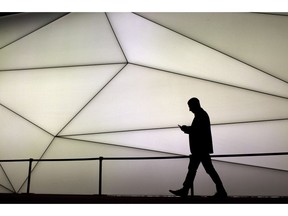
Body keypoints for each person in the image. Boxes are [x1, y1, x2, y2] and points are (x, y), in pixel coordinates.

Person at [169, 97, 227, 197]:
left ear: (194, 105)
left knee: (197, 170)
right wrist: (187, 129)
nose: (189, 109)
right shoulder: (202, 115)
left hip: (200, 149)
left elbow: (197, 131)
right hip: (201, 149)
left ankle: (185, 190)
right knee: (205, 170)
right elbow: (198, 130)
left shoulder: (200, 116)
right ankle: (220, 191)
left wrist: (186, 129)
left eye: (190, 107)